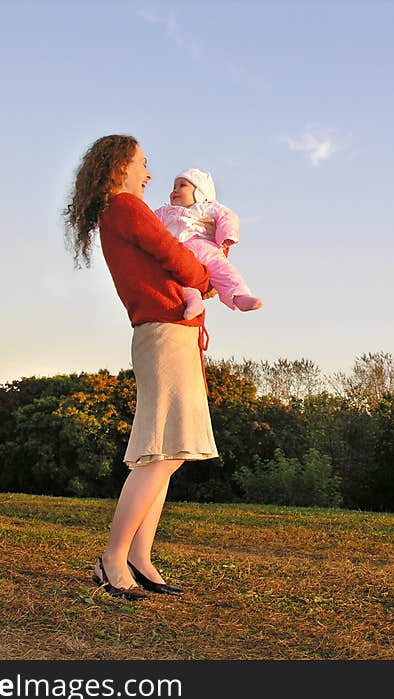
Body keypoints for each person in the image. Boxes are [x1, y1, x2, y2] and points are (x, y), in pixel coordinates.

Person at [64, 135, 219, 600]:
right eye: (144, 164)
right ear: (121, 165)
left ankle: (140, 558)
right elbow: (176, 258)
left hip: (166, 331)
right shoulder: (127, 208)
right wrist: (207, 278)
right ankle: (113, 558)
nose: (149, 173)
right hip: (164, 331)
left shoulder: (119, 212)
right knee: (163, 452)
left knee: (164, 452)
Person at [154, 168, 263, 320]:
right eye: (173, 187)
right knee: (173, 278)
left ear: (200, 192)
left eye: (182, 185)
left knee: (221, 267)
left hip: (203, 247)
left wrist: (226, 236)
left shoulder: (209, 207)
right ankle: (193, 300)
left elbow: (228, 218)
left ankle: (238, 294)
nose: (175, 191)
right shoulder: (165, 212)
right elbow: (150, 224)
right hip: (176, 249)